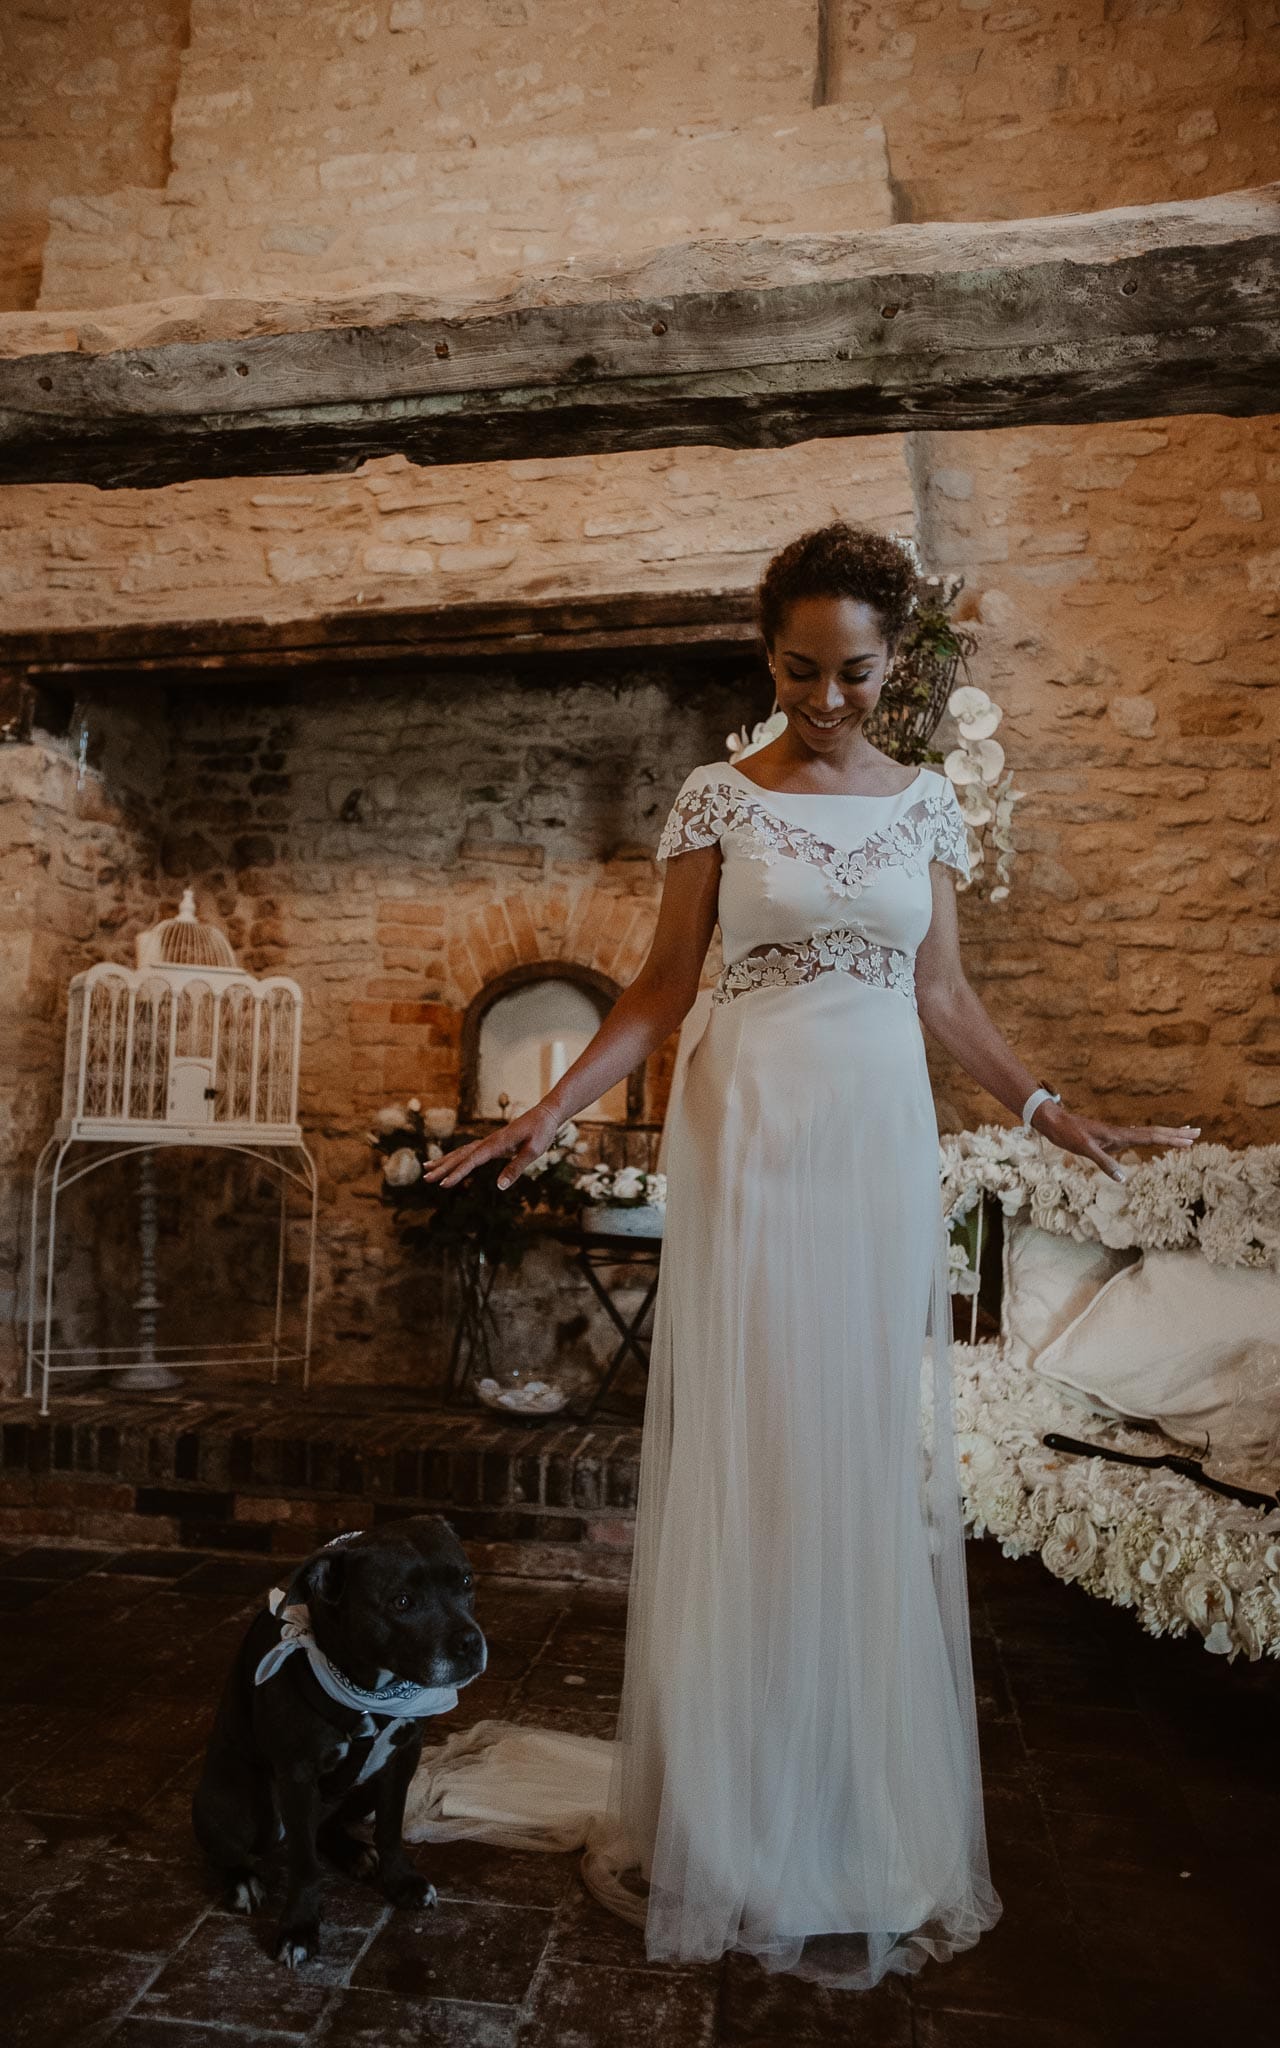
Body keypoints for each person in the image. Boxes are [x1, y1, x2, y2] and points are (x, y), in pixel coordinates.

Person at [421, 522, 1201, 1989]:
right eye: (800, 669)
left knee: (852, 1457)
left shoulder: (925, 809)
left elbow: (945, 995)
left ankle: (846, 1807)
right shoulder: (720, 797)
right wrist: (543, 1113)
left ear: (894, 662)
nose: (827, 697)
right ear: (766, 655)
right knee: (758, 1454)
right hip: (756, 1129)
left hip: (874, 1143)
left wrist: (1048, 1108)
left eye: (853, 672)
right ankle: (733, 1807)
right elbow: (657, 992)